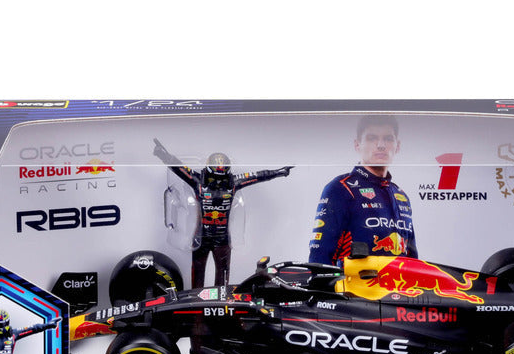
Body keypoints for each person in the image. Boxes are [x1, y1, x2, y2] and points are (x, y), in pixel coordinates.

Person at [154, 139, 293, 287]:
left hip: (223, 240)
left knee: (223, 277)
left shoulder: (233, 182)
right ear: (208, 171)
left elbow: (257, 176)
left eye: (222, 177)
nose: (218, 182)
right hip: (201, 239)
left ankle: (221, 299)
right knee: (197, 275)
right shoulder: (198, 181)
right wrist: (163, 155)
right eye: (215, 177)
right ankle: (195, 298)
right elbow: (179, 168)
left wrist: (278, 172)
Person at [309, 115, 417, 266]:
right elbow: (319, 257)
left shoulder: (401, 196)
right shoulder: (341, 188)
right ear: (357, 145)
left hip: (396, 281)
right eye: (372, 138)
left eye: (388, 139)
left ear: (397, 146)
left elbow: (413, 261)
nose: (381, 145)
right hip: (354, 281)